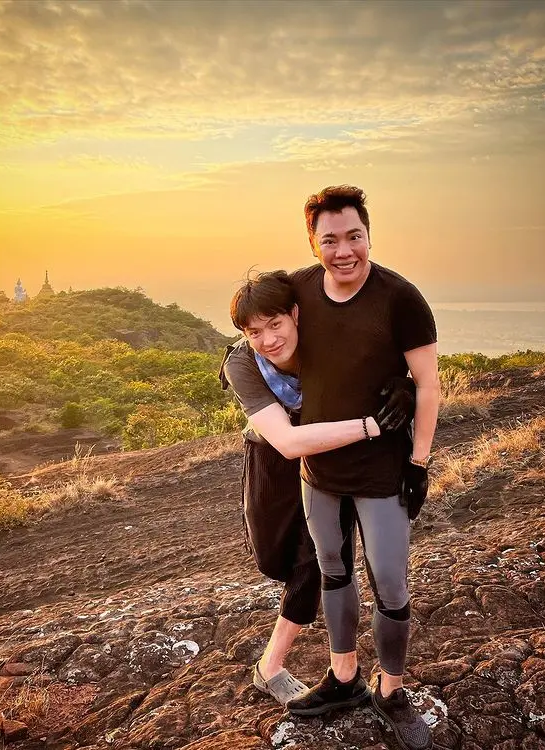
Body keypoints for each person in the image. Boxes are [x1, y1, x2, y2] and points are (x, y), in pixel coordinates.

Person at [284, 185, 439, 750]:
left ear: (369, 235)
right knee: (334, 572)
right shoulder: (298, 290)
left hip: (381, 471)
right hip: (319, 471)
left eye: (354, 236)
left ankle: (391, 691)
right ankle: (344, 676)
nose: (344, 250)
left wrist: (418, 463)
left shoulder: (401, 298)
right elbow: (260, 334)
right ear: (312, 242)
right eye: (330, 240)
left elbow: (428, 384)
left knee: (391, 585)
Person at [219, 270, 416, 706]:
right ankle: (300, 666)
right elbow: (287, 442)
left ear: (294, 314)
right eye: (254, 332)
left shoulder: (322, 337)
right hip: (274, 458)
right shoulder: (243, 363)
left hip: (334, 459)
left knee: (319, 559)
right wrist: (373, 425)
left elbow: (373, 351)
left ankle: (278, 665)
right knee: (275, 556)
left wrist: (403, 382)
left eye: (275, 324)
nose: (268, 339)